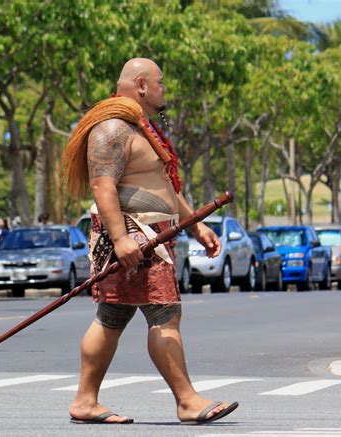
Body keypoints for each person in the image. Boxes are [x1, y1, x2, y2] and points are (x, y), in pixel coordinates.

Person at [61, 58, 238, 425]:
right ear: (141, 85)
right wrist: (122, 238)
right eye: (160, 83)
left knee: (112, 316)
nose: (164, 90)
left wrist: (193, 225)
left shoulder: (140, 128)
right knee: (164, 313)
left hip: (150, 233)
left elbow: (165, 185)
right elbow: (102, 186)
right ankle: (187, 401)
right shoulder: (112, 128)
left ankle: (85, 401)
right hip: (133, 236)